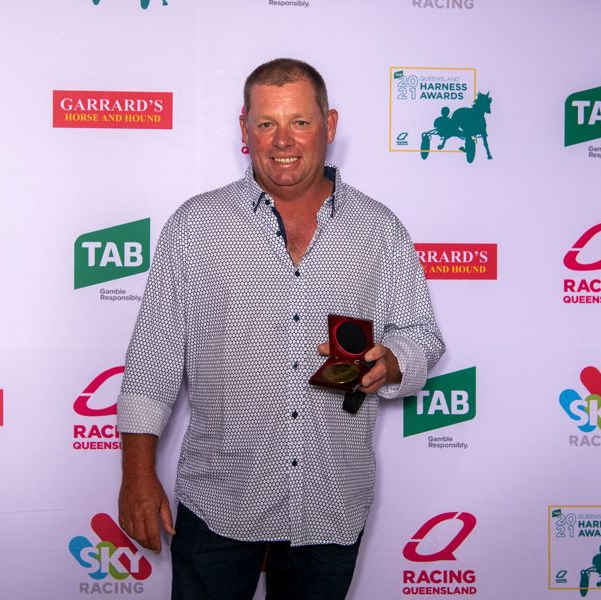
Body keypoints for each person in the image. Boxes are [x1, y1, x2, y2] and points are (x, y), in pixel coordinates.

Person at [117, 58, 445, 600]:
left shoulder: (380, 231)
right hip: (221, 501)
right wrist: (136, 475)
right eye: (266, 123)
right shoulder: (195, 227)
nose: (282, 140)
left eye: (300, 122)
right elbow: (152, 361)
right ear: (244, 130)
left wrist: (393, 360)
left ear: (329, 125)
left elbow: (422, 334)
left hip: (331, 501)